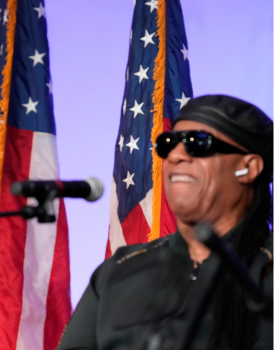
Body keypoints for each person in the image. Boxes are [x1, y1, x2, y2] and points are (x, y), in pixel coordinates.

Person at [57, 95, 273, 350]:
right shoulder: (118, 271)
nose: (176, 156)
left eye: (198, 143)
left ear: (248, 168)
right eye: (168, 143)